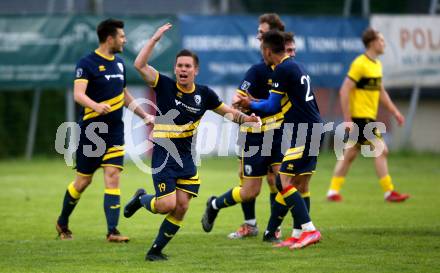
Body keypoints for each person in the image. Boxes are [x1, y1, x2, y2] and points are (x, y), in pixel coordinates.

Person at [123, 23, 260, 261]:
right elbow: (139, 65)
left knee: (182, 206)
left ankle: (155, 251)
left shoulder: (205, 94)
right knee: (166, 205)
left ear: (196, 70)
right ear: (175, 69)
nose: (182, 70)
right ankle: (141, 199)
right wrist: (154, 39)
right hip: (164, 155)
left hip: (186, 157)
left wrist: (248, 119)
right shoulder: (163, 84)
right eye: (179, 66)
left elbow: (228, 113)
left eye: (187, 66)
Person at [55, 18, 154, 242]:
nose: (124, 40)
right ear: (109, 39)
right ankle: (62, 221)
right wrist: (96, 106)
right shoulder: (87, 63)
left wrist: (145, 115)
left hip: (115, 132)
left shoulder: (119, 64)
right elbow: (78, 94)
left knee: (113, 176)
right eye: (121, 36)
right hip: (92, 131)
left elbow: (125, 95)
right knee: (83, 182)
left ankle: (112, 231)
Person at [235, 30, 322, 249]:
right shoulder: (296, 66)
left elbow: (272, 106)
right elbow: (280, 101)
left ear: (266, 50)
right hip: (312, 128)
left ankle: (310, 230)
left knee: (284, 180)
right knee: (296, 182)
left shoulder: (282, 69)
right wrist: (255, 102)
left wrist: (249, 105)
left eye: (261, 50)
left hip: (304, 131)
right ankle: (296, 233)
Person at [219, 13, 288, 240]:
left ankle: (274, 228)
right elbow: (236, 100)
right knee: (246, 179)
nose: (258, 37)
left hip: (275, 132)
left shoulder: (285, 67)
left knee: (276, 180)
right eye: (258, 33)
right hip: (251, 133)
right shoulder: (257, 70)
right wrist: (244, 106)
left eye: (262, 33)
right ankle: (250, 224)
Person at [326, 27, 409, 203]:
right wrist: (348, 119)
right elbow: (344, 90)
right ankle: (389, 192)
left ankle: (332, 191)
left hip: (368, 117)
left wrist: (395, 112)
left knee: (349, 155)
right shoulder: (359, 64)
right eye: (381, 40)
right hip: (360, 118)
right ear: (372, 42)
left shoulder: (377, 65)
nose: (384, 43)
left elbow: (381, 92)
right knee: (382, 150)